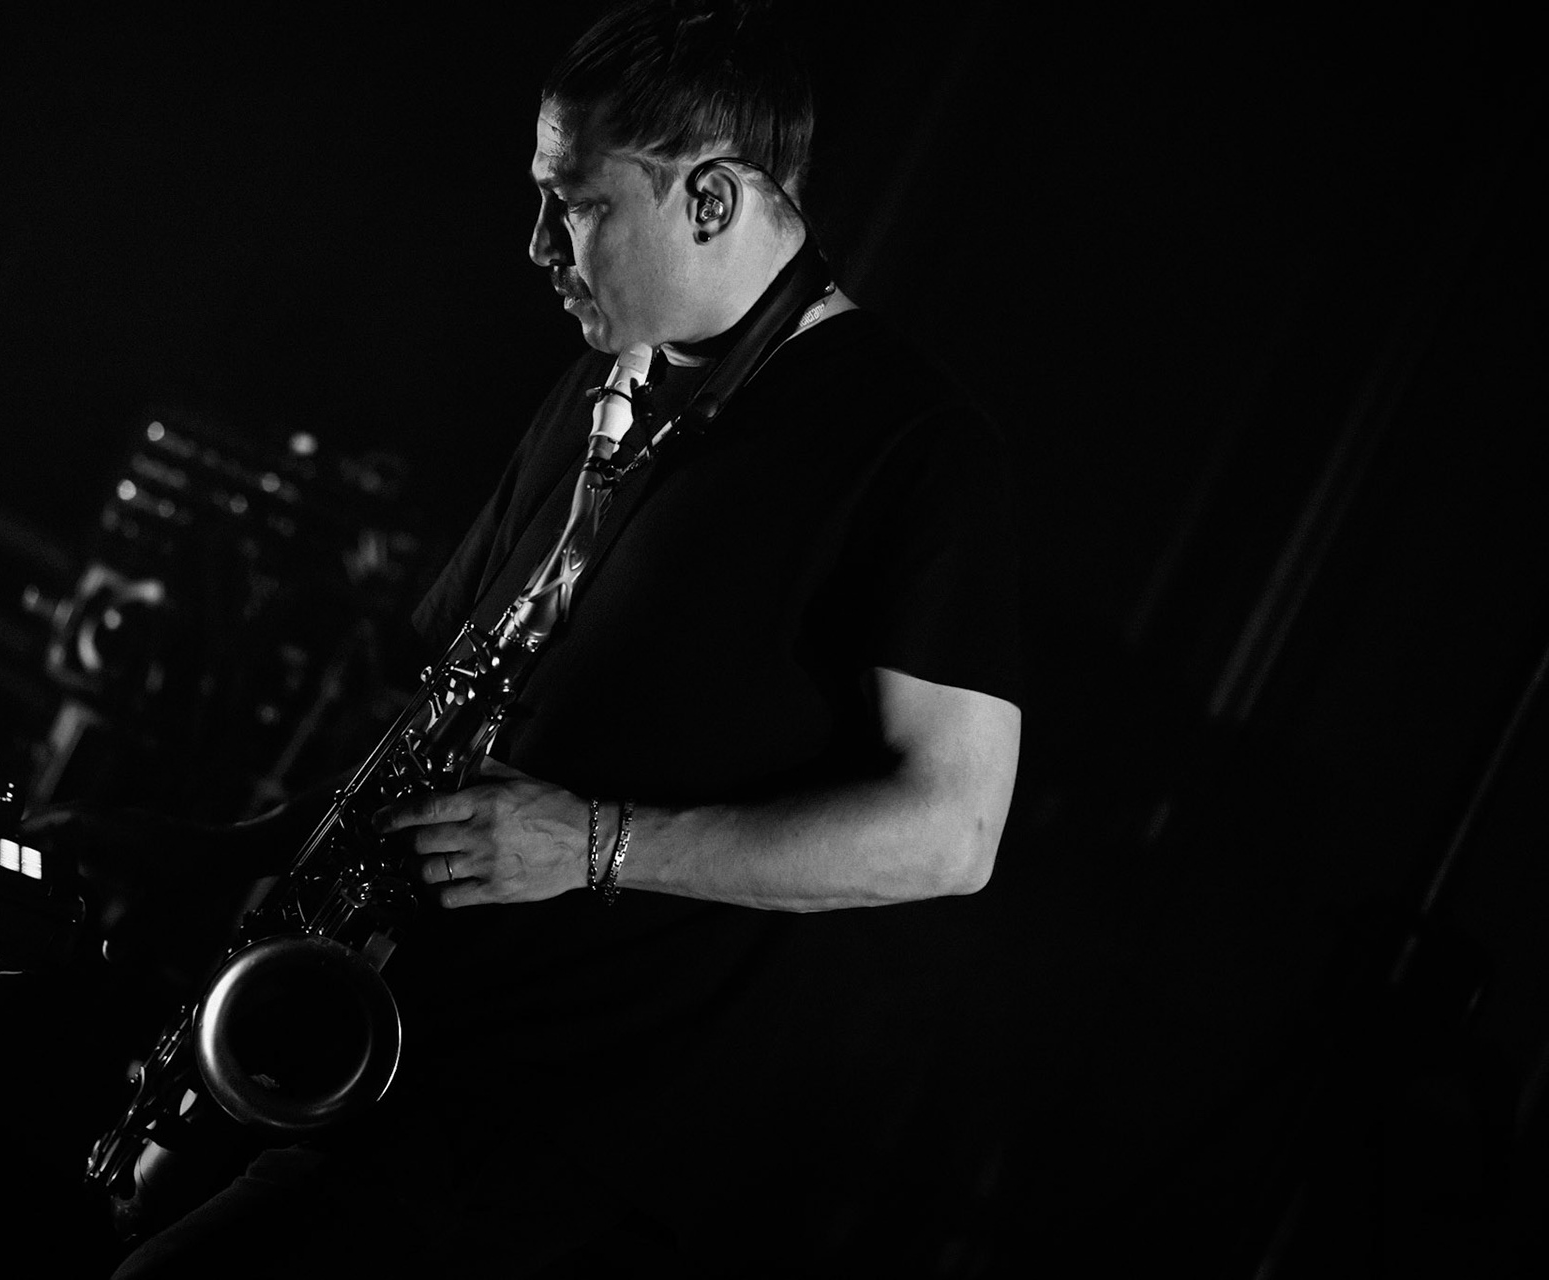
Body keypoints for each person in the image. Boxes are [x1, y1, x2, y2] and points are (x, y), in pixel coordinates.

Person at [101, 1, 1021, 1273]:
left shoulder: (916, 449)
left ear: (710, 200)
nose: (538, 244)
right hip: (406, 1076)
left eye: (575, 203)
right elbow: (435, 731)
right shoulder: (605, 386)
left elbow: (951, 830)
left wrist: (589, 843)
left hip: (574, 1157)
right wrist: (220, 858)